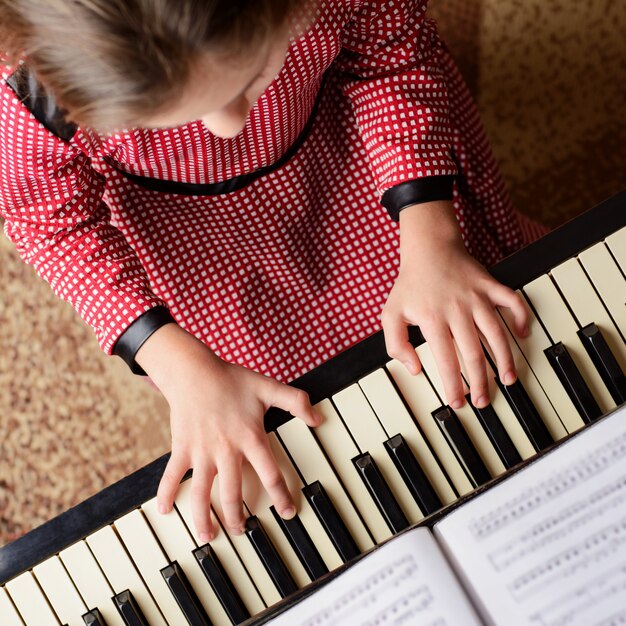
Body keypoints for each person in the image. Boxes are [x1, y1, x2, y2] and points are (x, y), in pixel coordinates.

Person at [0, 0, 544, 542]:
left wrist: (434, 238)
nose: (230, 125)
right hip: (190, 235)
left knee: (484, 302)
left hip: (355, 138)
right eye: (185, 111)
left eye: (251, 75)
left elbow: (390, 53)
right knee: (279, 414)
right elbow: (50, 221)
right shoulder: (37, 86)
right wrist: (177, 364)